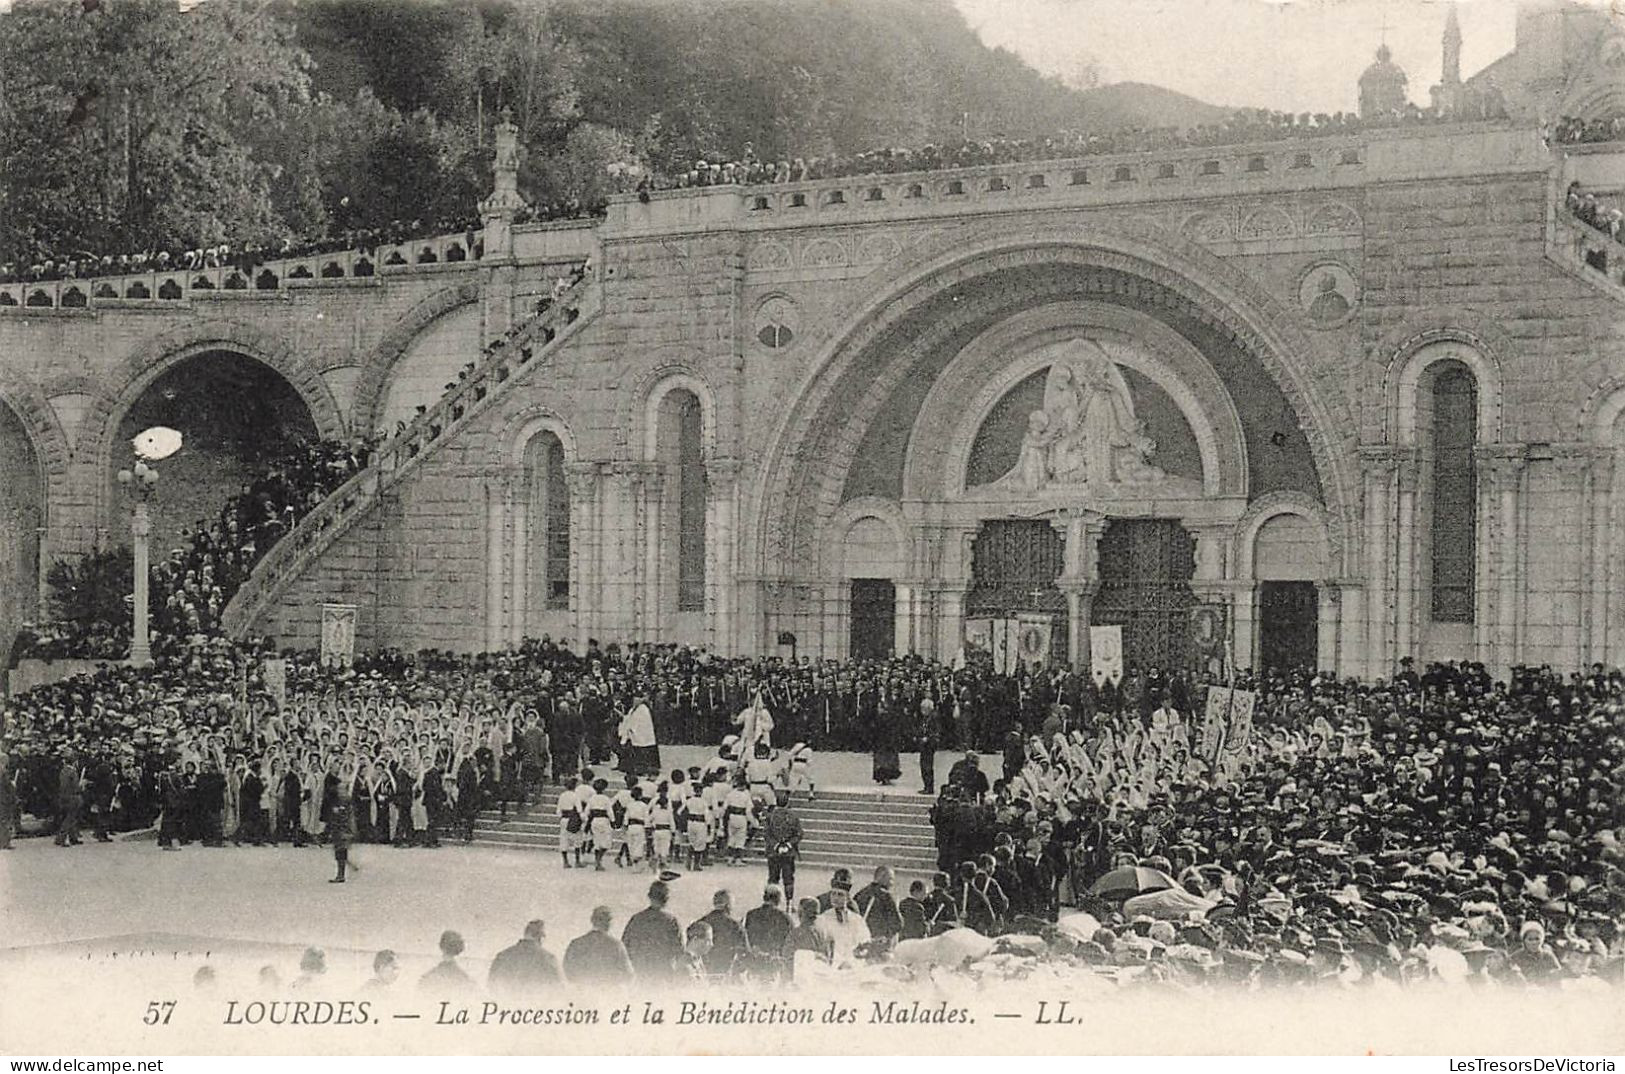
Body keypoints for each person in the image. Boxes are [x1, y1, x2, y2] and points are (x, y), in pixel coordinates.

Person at [621, 880, 683, 980]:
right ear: (666, 899)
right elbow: (679, 950)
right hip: (664, 975)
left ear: (649, 896)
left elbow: (625, 947)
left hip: (641, 974)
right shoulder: (671, 921)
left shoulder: (636, 919)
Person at [488, 919, 562, 995]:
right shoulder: (548, 958)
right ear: (541, 937)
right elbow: (558, 990)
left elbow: (491, 985)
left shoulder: (502, 956)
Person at [563, 905, 634, 985]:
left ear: (592, 920)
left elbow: (568, 970)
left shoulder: (575, 944)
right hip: (607, 992)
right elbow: (628, 975)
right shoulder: (616, 945)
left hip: (583, 993)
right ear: (610, 923)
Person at [814, 875, 872, 968]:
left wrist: (861, 951)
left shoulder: (857, 920)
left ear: (848, 898)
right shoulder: (823, 919)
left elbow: (865, 941)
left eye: (840, 895)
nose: (836, 898)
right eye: (833, 894)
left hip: (853, 964)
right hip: (831, 965)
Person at [694, 889, 750, 978]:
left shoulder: (700, 923)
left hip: (704, 973)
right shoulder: (736, 926)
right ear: (728, 905)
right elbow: (746, 955)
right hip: (727, 975)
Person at [761, 790, 803, 902]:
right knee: (788, 878)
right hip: (788, 853)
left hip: (773, 852)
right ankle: (789, 902)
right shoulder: (793, 816)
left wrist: (776, 845)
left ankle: (770, 901)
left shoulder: (770, 816)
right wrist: (788, 845)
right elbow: (799, 834)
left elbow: (766, 834)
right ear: (788, 803)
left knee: (773, 878)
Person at [853, 865, 904, 946]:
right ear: (881, 877)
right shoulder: (887, 896)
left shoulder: (861, 893)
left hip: (861, 940)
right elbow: (898, 924)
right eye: (891, 879)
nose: (892, 883)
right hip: (880, 943)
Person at [744, 884, 793, 959]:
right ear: (778, 899)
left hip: (755, 958)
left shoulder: (751, 914)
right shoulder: (784, 917)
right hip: (775, 959)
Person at [328, 792, 359, 883]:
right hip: (342, 831)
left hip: (341, 831)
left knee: (340, 851)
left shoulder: (342, 805)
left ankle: (340, 875)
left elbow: (344, 820)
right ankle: (345, 870)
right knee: (341, 851)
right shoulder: (345, 804)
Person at [916, 697, 939, 795]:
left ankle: (929, 787)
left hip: (929, 745)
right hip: (924, 745)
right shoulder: (925, 718)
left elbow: (936, 732)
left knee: (927, 766)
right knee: (923, 766)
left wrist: (928, 738)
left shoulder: (933, 718)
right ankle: (926, 785)